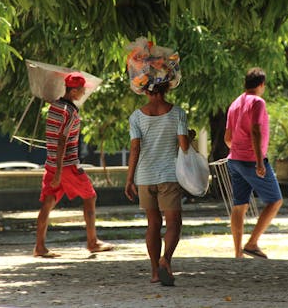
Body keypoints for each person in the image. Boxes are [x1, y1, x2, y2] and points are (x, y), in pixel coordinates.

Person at [124, 37, 188, 286]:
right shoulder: (178, 113)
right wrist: (189, 137)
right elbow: (183, 146)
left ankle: (153, 272)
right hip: (169, 176)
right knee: (174, 223)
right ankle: (166, 262)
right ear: (167, 86)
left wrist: (129, 179)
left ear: (144, 88)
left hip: (144, 177)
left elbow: (134, 149)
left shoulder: (136, 117)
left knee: (153, 224)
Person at [34, 72, 113, 258]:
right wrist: (60, 172)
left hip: (51, 162)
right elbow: (62, 141)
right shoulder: (71, 113)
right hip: (66, 165)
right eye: (82, 90)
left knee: (48, 202)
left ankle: (40, 247)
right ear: (74, 91)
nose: (83, 93)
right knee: (90, 196)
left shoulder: (54, 106)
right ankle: (92, 242)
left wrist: (56, 170)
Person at [224, 67, 283, 259]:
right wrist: (259, 161)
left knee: (239, 205)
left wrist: (238, 149)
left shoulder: (235, 104)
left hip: (235, 159)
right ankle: (252, 243)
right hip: (250, 160)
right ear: (261, 85)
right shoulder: (257, 102)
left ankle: (237, 253)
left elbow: (228, 138)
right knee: (275, 200)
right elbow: (256, 130)